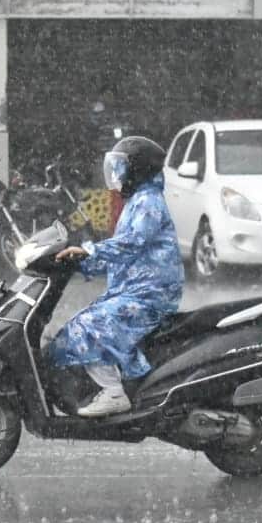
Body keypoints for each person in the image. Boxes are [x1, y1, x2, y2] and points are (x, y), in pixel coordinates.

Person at [49, 136, 184, 417]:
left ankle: (113, 392)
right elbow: (123, 255)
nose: (114, 174)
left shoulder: (149, 202)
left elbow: (130, 243)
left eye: (120, 167)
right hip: (133, 290)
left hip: (149, 296)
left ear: (137, 169)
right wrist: (80, 263)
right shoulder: (138, 201)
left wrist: (87, 252)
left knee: (86, 327)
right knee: (74, 328)